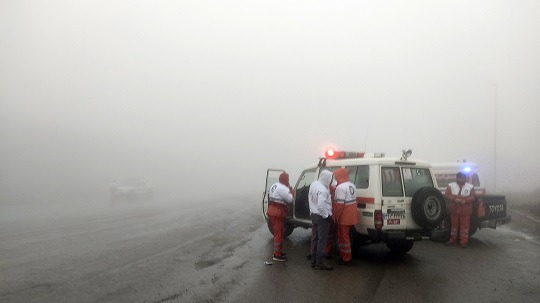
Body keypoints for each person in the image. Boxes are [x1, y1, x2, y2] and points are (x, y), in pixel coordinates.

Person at [309, 169, 333, 270]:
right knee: (322, 240)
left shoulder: (314, 184)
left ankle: (313, 260)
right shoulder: (323, 190)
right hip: (321, 216)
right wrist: (326, 216)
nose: (331, 181)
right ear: (327, 178)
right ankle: (320, 262)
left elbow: (311, 198)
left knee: (314, 238)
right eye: (330, 179)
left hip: (313, 215)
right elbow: (321, 205)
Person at [333, 168, 358, 265]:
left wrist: (336, 217)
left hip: (344, 216)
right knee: (344, 237)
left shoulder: (340, 188)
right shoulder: (352, 185)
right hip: (352, 215)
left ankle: (346, 258)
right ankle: (343, 255)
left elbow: (340, 205)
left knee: (344, 237)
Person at [445, 172, 476, 248]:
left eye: (463, 178)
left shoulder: (470, 187)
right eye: (460, 178)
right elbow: (447, 195)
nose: (462, 179)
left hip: (465, 210)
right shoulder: (450, 186)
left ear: (465, 178)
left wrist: (465, 201)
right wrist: (455, 199)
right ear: (457, 178)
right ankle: (452, 241)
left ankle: (464, 242)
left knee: (465, 227)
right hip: (454, 210)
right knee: (454, 226)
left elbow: (473, 197)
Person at [267, 172, 294, 261]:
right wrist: (291, 191)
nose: (288, 180)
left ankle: (279, 251)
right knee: (278, 233)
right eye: (288, 179)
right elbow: (290, 199)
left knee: (278, 232)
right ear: (285, 179)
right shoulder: (283, 188)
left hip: (272, 210)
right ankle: (277, 255)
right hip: (278, 211)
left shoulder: (274, 185)